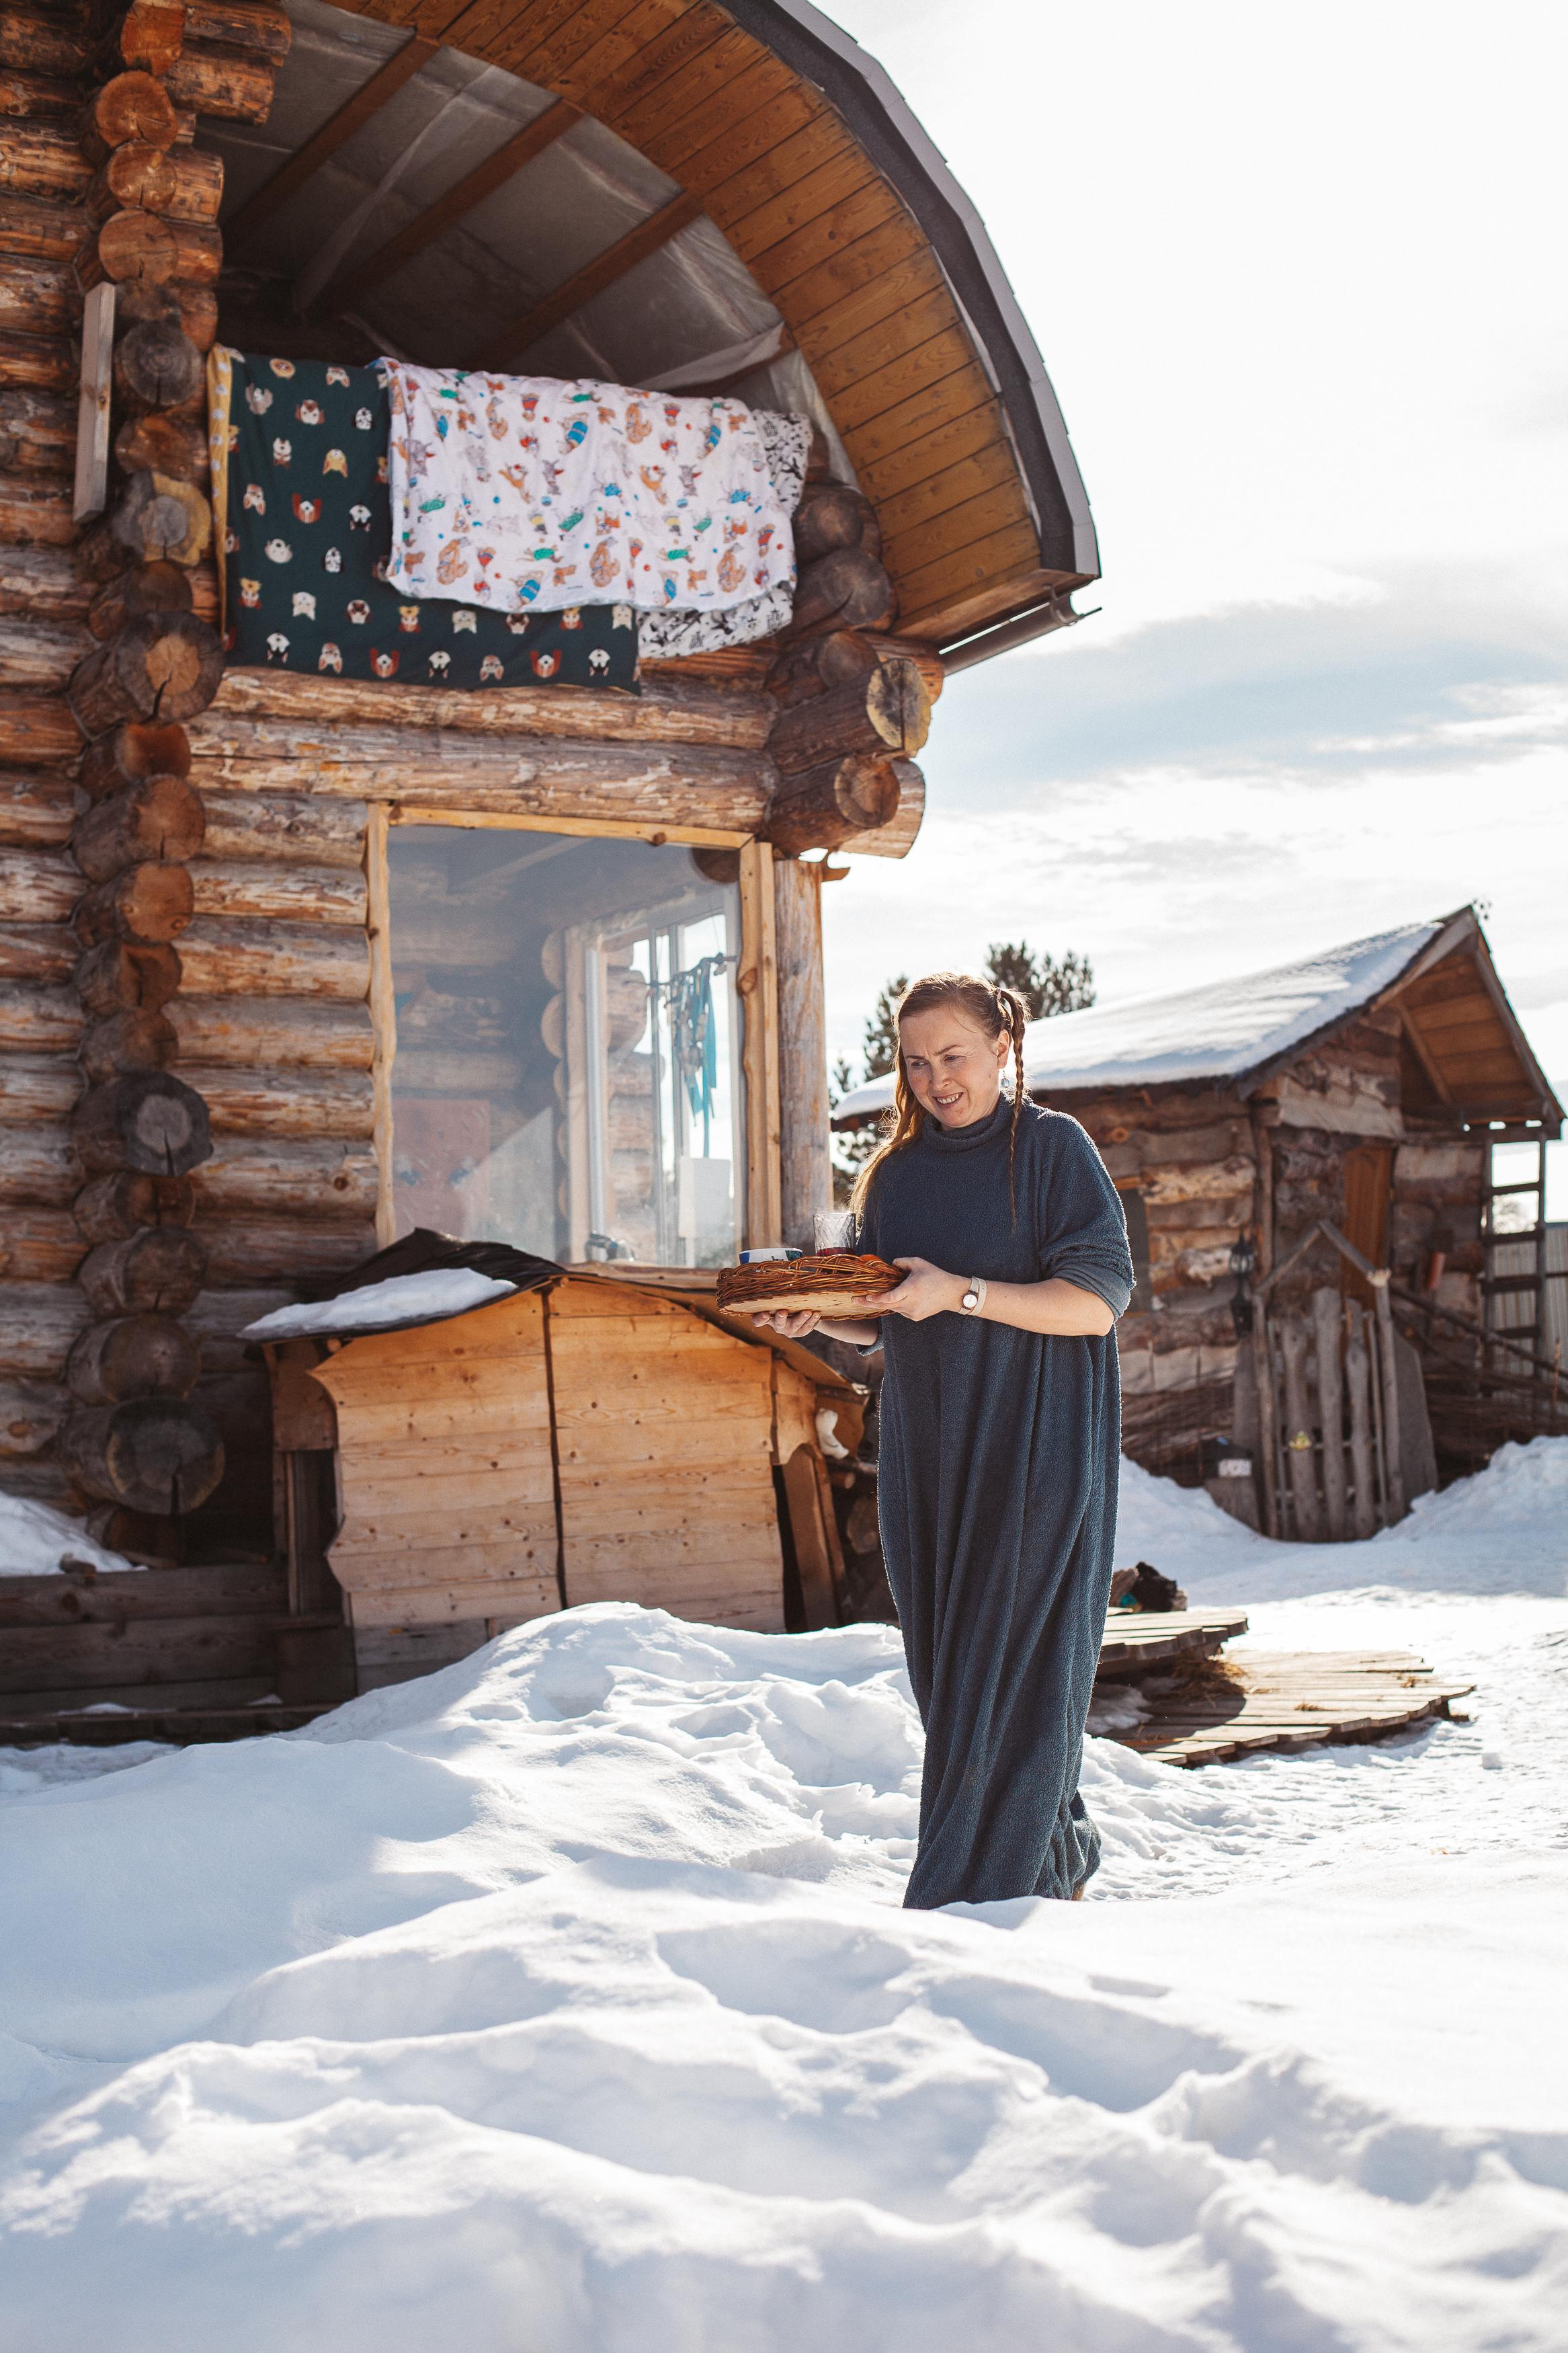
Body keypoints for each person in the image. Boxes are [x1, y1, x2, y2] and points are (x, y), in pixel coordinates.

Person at [753, 973, 1133, 1907]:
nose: (935, 1080)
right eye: (916, 1064)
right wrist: (824, 1314)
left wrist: (961, 1291)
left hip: (1037, 1445)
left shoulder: (1051, 1150)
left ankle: (972, 1897)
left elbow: (1094, 1304)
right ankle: (1054, 1859)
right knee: (953, 1679)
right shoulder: (896, 1173)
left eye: (953, 1057)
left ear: (1002, 1049)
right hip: (929, 1456)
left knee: (1010, 1671)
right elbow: (891, 1315)